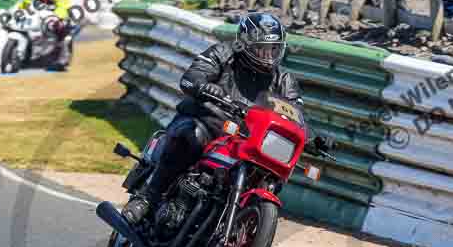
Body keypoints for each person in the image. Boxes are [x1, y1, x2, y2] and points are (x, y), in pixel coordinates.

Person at [122, 12, 333, 226]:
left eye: (274, 50)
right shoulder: (224, 54)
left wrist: (312, 138)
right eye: (263, 49)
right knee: (191, 135)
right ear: (245, 44)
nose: (268, 56)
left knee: (271, 172)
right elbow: (192, 77)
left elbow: (295, 115)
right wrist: (205, 86)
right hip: (209, 122)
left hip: (247, 139)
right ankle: (148, 197)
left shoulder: (284, 80)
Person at [13, 0, 73, 65]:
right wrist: (20, 11)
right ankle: (32, 49)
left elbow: (63, 3)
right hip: (43, 6)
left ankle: (64, 56)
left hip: (58, 7)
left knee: (61, 28)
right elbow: (26, 0)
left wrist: (57, 17)